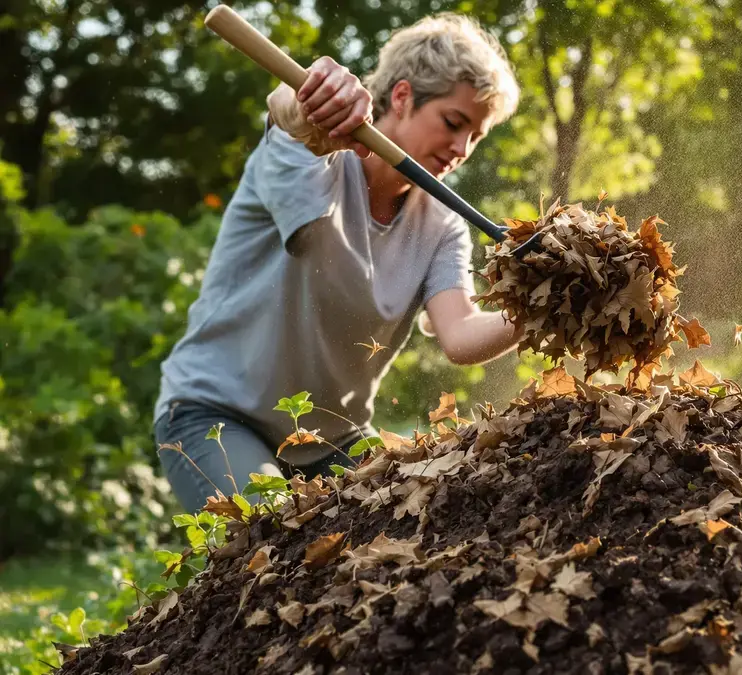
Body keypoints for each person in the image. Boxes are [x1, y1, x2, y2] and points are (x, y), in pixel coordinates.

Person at [153, 12, 522, 513]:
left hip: (333, 440)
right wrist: (307, 103)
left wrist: (543, 304)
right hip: (215, 414)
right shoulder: (310, 153)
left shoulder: (443, 225)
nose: (461, 149)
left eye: (475, 136)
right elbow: (288, 114)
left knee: (420, 514)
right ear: (402, 97)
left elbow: (460, 335)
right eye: (453, 123)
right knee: (271, 530)